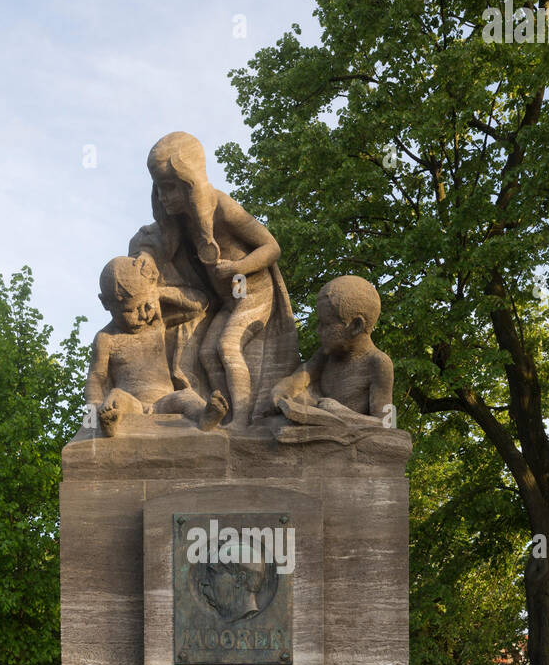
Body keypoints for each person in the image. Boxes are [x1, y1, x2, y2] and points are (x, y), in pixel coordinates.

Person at [128, 132, 298, 428]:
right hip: (228, 302)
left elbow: (271, 247)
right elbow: (157, 240)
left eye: (171, 188)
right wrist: (145, 254)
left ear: (189, 181)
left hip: (253, 293)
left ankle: (243, 419)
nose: (165, 197)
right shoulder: (182, 218)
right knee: (207, 352)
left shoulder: (222, 207)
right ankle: (225, 413)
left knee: (228, 347)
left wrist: (238, 267)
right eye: (160, 189)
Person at [85, 254, 228, 437]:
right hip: (132, 403)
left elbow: (199, 304)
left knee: (187, 396)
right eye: (131, 310)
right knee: (115, 397)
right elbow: (96, 379)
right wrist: (96, 410)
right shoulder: (106, 338)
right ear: (106, 303)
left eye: (146, 305)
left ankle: (205, 417)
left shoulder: (157, 324)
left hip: (166, 400)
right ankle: (110, 424)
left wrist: (157, 291)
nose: (143, 315)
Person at [271, 276, 394, 441]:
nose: (318, 331)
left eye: (326, 324)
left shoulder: (378, 363)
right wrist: (282, 389)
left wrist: (342, 413)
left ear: (355, 326)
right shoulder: (325, 354)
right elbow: (300, 377)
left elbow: (387, 424)